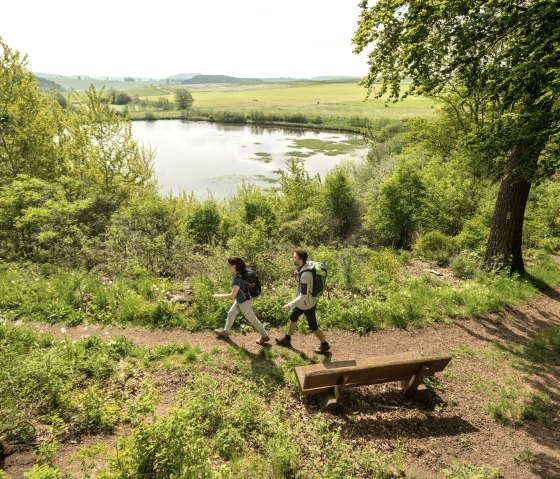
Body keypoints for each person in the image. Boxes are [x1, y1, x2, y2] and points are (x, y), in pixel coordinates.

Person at [276, 249, 330, 353]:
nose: (293, 259)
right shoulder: (306, 266)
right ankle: (287, 339)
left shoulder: (306, 275)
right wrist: (297, 277)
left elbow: (303, 295)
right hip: (302, 303)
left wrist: (289, 305)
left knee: (313, 326)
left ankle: (324, 344)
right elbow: (302, 286)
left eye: (295, 257)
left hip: (307, 304)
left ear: (300, 260)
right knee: (293, 317)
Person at [212, 256, 270, 345]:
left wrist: (219, 296)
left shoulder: (238, 279)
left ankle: (265, 336)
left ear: (234, 266)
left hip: (244, 302)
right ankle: (225, 332)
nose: (227, 266)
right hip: (243, 299)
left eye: (228, 265)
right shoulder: (243, 272)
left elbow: (232, 295)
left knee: (253, 320)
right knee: (231, 313)